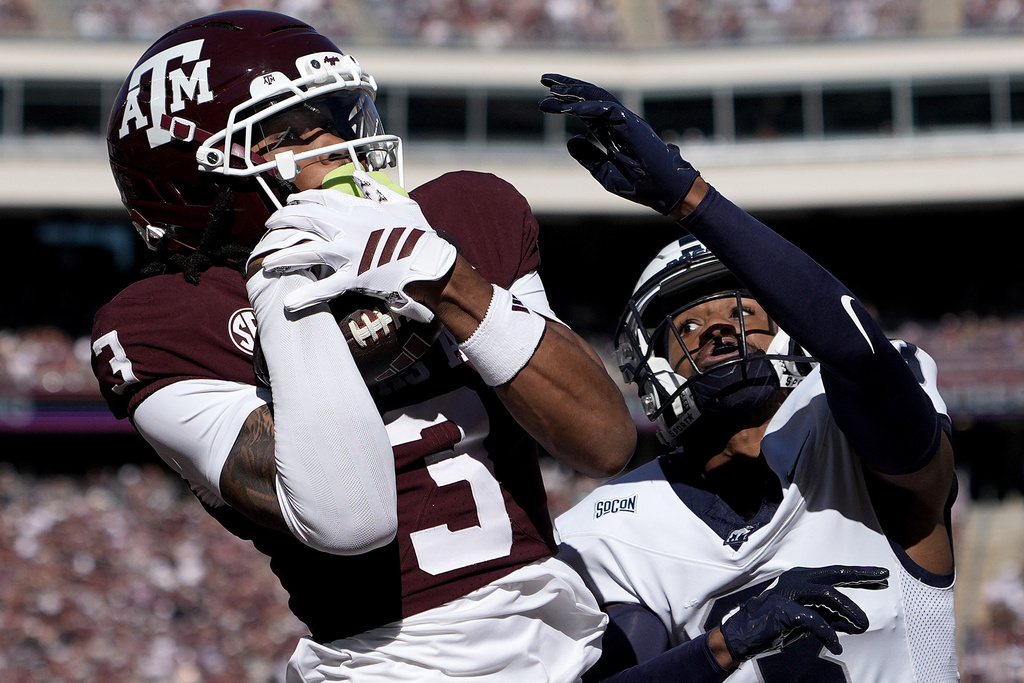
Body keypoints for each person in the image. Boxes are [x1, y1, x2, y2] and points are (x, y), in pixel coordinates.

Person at [90, 12, 640, 682]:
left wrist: (445, 277)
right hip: (382, 666)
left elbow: (604, 440)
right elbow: (350, 517)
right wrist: (282, 284)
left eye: (338, 116)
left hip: (565, 640)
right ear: (195, 181)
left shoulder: (462, 217)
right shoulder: (166, 324)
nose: (340, 146)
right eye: (287, 133)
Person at [539, 74, 959, 682]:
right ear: (647, 365)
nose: (719, 331)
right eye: (688, 325)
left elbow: (859, 355)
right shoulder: (614, 525)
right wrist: (721, 647)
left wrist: (692, 200)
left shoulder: (849, 440)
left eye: (743, 313)